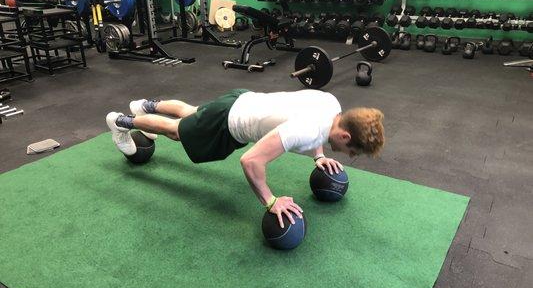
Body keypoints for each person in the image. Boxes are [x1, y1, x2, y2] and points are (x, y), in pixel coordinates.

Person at [106, 89, 385, 228]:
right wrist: (271, 201)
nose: (349, 156)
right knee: (176, 131)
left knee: (192, 112)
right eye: (353, 152)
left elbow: (314, 127)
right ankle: (121, 122)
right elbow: (251, 161)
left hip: (242, 99)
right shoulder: (306, 130)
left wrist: (319, 156)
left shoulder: (332, 105)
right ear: (346, 136)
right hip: (229, 122)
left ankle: (143, 106)